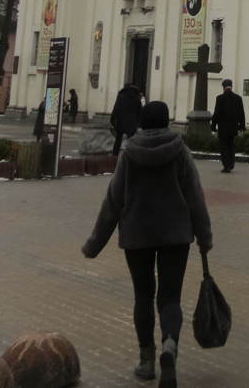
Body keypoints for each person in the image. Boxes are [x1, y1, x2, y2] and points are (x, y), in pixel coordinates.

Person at [81, 100, 213, 387]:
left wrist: (94, 243)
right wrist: (205, 237)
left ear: (141, 121)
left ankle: (146, 360)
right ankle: (169, 345)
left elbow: (113, 201)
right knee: (169, 298)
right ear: (167, 121)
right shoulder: (181, 151)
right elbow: (196, 198)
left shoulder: (129, 154)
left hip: (137, 236)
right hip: (175, 237)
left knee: (143, 296)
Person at [212, 78, 247, 174]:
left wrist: (213, 126)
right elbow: (241, 113)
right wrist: (242, 126)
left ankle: (227, 165)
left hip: (223, 127)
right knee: (231, 145)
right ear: (231, 86)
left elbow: (217, 113)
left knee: (224, 146)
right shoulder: (238, 98)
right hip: (233, 127)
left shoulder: (220, 98)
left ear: (223, 87)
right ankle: (231, 163)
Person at [111, 82, 144, 149]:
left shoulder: (121, 96)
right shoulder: (137, 96)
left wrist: (112, 120)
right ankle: (130, 155)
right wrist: (138, 121)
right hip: (132, 121)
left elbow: (116, 108)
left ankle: (115, 155)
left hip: (121, 121)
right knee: (130, 140)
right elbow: (140, 110)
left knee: (118, 139)